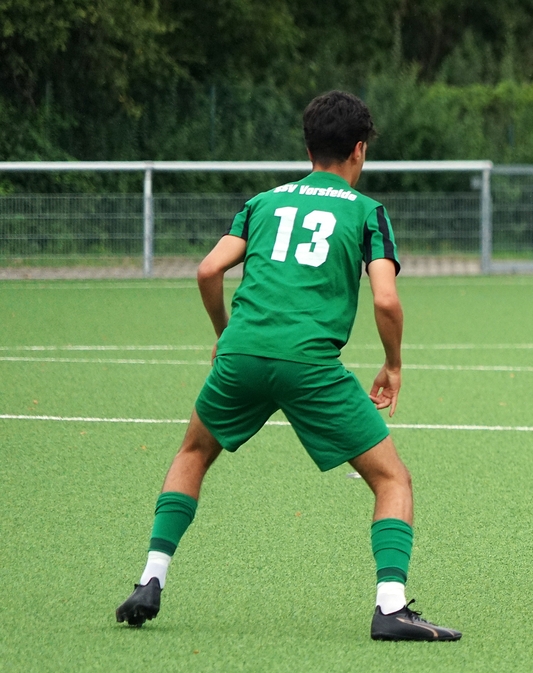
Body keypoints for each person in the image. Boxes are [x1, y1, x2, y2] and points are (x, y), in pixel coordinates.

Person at [116, 90, 461, 640]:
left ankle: (150, 579)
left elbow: (207, 271)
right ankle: (391, 608)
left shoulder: (262, 203)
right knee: (392, 479)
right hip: (310, 365)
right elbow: (386, 300)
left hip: (242, 355)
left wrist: (225, 334)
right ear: (359, 149)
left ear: (307, 149)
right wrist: (393, 365)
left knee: (193, 453)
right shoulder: (367, 212)